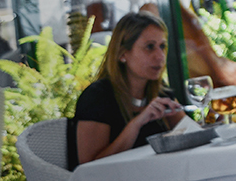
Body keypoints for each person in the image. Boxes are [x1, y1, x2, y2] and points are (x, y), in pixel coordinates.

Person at [68, 12, 184, 168]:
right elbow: (90, 168)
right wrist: (137, 123)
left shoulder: (160, 92)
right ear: (122, 54)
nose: (160, 56)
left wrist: (211, 115)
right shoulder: (97, 97)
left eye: (162, 46)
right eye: (150, 47)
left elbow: (190, 135)